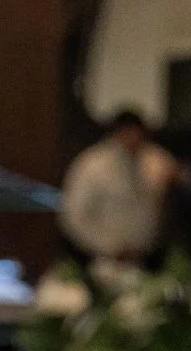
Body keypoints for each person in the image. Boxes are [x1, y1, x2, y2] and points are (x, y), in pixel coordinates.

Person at [59, 109, 176, 262]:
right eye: (129, 135)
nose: (134, 142)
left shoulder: (152, 158)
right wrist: (108, 246)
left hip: (147, 257)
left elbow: (184, 176)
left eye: (139, 136)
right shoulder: (92, 165)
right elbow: (73, 215)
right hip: (101, 259)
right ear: (117, 134)